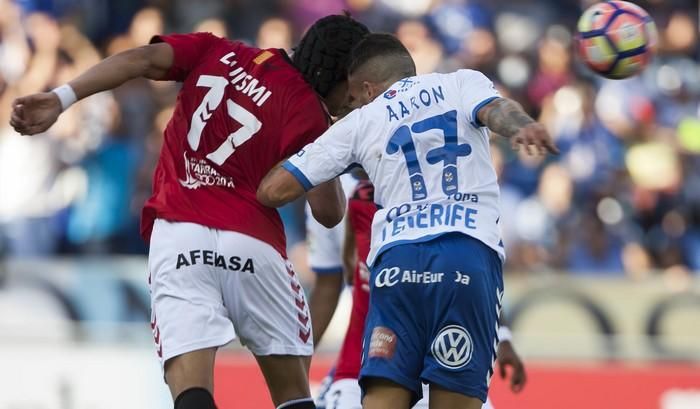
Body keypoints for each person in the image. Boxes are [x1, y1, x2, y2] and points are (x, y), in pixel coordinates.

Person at [10, 15, 369, 409]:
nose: (350, 101)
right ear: (335, 77)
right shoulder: (307, 111)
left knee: (192, 392)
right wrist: (332, 141)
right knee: (293, 396)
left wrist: (62, 98)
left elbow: (141, 59)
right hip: (254, 244)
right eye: (350, 91)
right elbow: (329, 212)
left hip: (180, 235)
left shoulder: (217, 49)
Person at [257, 33, 557, 409]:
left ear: (367, 89)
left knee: (383, 400)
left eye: (350, 97)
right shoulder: (461, 81)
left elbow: (274, 190)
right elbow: (495, 111)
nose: (348, 105)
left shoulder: (360, 122)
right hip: (464, 258)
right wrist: (523, 126)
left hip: (396, 266)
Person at [323, 179, 527, 409]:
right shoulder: (361, 199)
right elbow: (347, 273)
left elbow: (486, 278)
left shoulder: (459, 205)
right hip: (362, 370)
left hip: (437, 366)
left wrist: (504, 336)